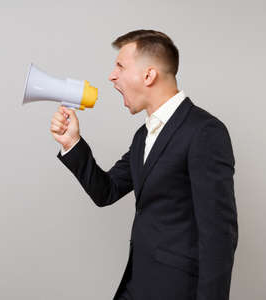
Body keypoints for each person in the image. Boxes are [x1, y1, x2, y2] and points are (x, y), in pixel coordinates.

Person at [50, 29, 238, 300]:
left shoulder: (204, 132)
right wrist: (72, 143)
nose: (112, 76)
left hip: (176, 291)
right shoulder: (143, 136)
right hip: (137, 285)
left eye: (120, 66)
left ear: (149, 75)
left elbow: (220, 236)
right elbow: (107, 191)